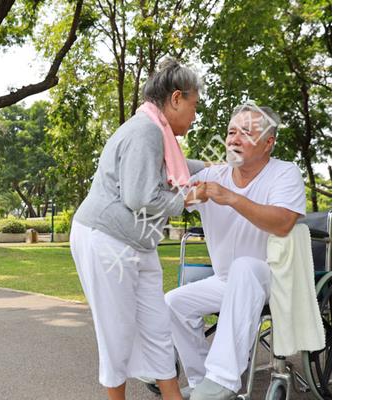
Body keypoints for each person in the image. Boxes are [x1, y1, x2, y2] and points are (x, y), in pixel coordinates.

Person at [70, 58, 207, 400]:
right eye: (194, 106)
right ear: (176, 98)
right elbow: (140, 196)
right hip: (107, 239)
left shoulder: (158, 132)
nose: (195, 115)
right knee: (116, 332)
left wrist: (211, 169)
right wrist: (189, 198)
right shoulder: (145, 130)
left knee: (158, 327)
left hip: (139, 244)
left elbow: (173, 168)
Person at [165, 103, 306, 400]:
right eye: (231, 132)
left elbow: (282, 223)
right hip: (227, 280)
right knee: (174, 302)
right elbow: (169, 187)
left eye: (245, 132)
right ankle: (203, 379)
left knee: (245, 266)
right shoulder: (212, 176)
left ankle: (224, 380)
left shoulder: (285, 173)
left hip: (273, 278)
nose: (233, 139)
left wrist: (231, 198)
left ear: (269, 143)